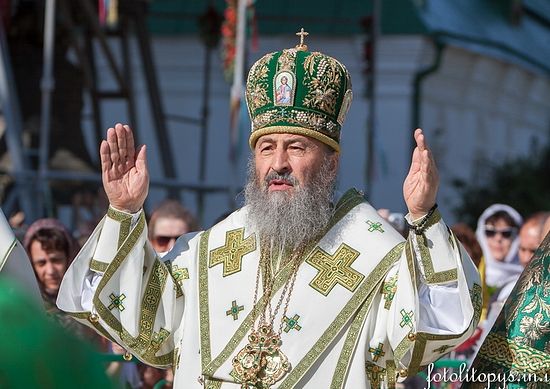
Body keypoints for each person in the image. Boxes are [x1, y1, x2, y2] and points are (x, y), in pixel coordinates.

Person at [58, 33, 481, 388]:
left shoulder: (376, 257)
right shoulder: (210, 250)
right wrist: (125, 212)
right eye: (266, 148)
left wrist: (423, 217)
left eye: (296, 147)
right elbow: (148, 326)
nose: (278, 163)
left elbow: (437, 324)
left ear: (331, 163)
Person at [475, 204, 523, 295]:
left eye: (506, 233)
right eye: (490, 232)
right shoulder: (468, 271)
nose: (498, 238)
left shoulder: (527, 279)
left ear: (517, 237)